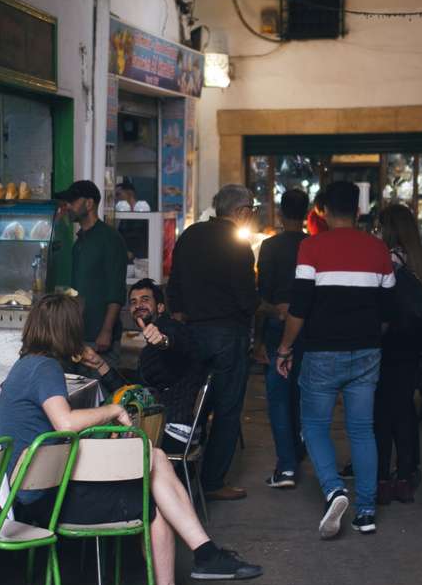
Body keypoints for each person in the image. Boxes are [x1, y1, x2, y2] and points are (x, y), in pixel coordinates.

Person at [0, 294, 262, 585]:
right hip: (49, 499)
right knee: (153, 492)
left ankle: (202, 558)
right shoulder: (46, 369)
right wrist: (112, 410)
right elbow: (65, 423)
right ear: (67, 330)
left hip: (32, 492)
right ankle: (184, 579)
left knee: (154, 458)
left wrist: (30, 414)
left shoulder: (25, 365)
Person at [276, 181, 395, 538]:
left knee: (314, 425)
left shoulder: (311, 247)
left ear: (324, 211)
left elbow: (299, 307)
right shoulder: (378, 249)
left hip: (322, 352)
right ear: (357, 210)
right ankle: (366, 512)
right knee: (362, 429)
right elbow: (388, 310)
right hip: (367, 352)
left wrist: (284, 348)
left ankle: (334, 489)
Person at [167, 184, 259, 501]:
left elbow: (174, 283)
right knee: (227, 408)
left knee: (193, 404)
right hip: (226, 335)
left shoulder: (191, 235)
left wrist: (180, 316)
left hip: (191, 333)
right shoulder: (238, 246)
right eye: (251, 210)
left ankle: (183, 470)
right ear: (241, 212)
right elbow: (246, 299)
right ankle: (213, 481)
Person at [81, 279, 208, 455]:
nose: (138, 305)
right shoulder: (151, 346)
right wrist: (100, 365)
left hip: (173, 430)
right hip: (168, 424)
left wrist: (163, 341)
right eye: (133, 302)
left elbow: (177, 343)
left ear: (161, 307)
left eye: (145, 300)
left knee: (92, 440)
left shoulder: (171, 328)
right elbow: (134, 393)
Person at [374, 204, 422, 504]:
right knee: (405, 410)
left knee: (382, 413)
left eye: (379, 227)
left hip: (389, 342)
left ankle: (383, 478)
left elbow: (381, 302)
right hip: (412, 344)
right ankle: (406, 475)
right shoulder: (419, 258)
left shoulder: (390, 259)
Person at [255, 189, 309, 488]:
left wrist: (258, 340)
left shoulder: (270, 246)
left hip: (277, 324)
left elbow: (262, 294)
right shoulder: (313, 245)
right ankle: (298, 448)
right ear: (307, 213)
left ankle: (286, 466)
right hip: (309, 327)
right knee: (303, 392)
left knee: (278, 397)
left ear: (280, 212)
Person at [58, 180, 128, 365]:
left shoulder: (110, 238)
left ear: (89, 203)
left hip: (99, 339)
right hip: (77, 335)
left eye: (73, 201)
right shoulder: (79, 241)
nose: (68, 206)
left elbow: (116, 291)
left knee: (100, 384)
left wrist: (106, 331)